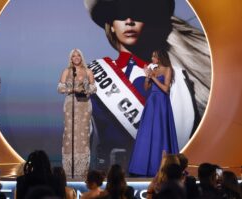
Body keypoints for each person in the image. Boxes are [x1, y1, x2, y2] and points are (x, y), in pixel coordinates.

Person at [84, 0, 210, 170]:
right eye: (120, 15)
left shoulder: (176, 77)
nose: (129, 21)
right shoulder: (94, 74)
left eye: (137, 14)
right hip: (110, 179)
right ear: (111, 26)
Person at [128, 50, 179, 177]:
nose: (152, 58)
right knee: (148, 133)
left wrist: (153, 77)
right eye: (152, 56)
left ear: (160, 57)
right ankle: (143, 167)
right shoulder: (153, 69)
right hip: (151, 103)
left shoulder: (167, 69)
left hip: (161, 103)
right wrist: (147, 76)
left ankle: (161, 167)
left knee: (160, 133)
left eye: (154, 56)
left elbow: (166, 89)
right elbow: (146, 88)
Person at [57, 49, 97, 178]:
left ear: (81, 57)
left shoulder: (88, 71)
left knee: (83, 135)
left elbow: (94, 87)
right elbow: (60, 87)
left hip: (84, 105)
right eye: (73, 56)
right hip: (70, 104)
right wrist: (72, 89)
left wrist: (86, 90)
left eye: (78, 55)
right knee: (70, 134)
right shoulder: (67, 71)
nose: (76, 57)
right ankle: (69, 169)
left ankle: (82, 169)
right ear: (71, 58)